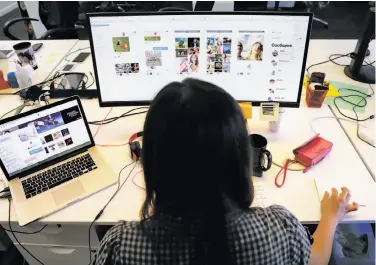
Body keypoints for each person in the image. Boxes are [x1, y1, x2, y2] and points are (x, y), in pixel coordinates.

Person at [93, 78, 359, 265]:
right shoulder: (281, 228)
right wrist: (330, 219)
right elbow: (315, 260)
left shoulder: (121, 246)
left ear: (152, 162)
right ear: (240, 157)